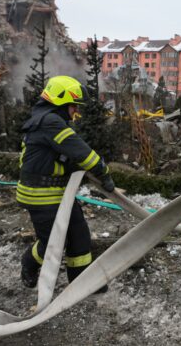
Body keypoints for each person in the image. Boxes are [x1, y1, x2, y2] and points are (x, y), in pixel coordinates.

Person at [17, 75, 116, 290]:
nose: (76, 111)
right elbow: (82, 152)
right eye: (74, 106)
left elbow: (58, 157)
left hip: (57, 192)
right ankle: (29, 264)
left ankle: (82, 284)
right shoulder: (51, 122)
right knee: (52, 243)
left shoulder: (48, 120)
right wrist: (103, 173)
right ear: (62, 101)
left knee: (79, 234)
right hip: (40, 195)